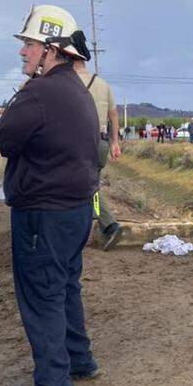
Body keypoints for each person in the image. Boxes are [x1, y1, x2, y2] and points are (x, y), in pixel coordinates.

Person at [0, 5, 100, 386]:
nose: (23, 53)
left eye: (30, 45)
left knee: (42, 295)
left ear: (52, 50)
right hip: (74, 211)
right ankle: (79, 361)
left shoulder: (38, 93)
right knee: (66, 287)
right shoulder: (76, 89)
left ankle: (54, 385)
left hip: (43, 215)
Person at [71, 54, 123, 249]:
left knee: (88, 187)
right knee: (91, 184)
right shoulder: (103, 84)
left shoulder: (70, 82)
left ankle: (109, 225)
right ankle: (93, 226)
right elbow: (114, 115)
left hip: (81, 141)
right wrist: (115, 142)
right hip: (101, 142)